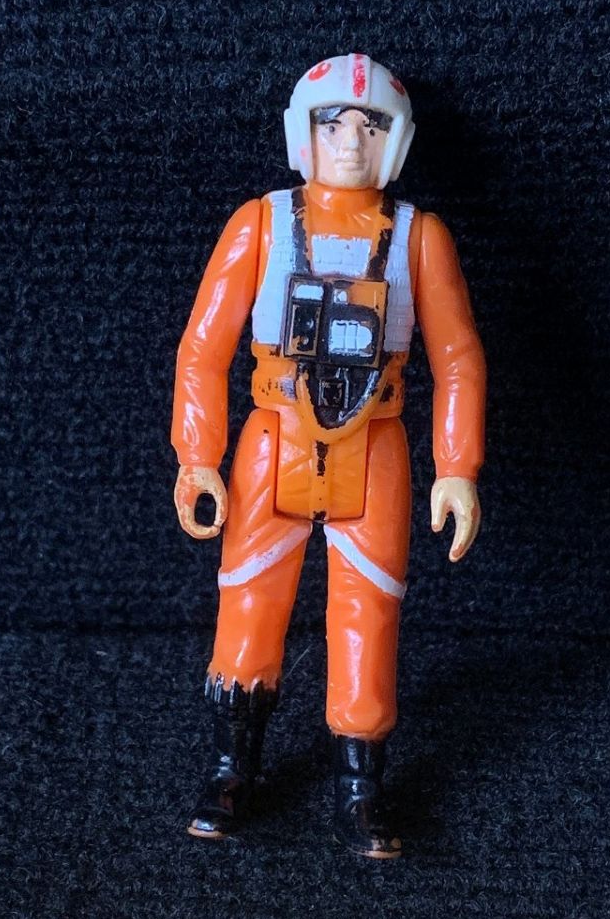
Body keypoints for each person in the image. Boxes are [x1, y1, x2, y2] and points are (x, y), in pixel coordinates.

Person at [171, 53, 486, 858]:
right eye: (332, 123)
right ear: (301, 135)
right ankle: (231, 766)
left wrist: (456, 467)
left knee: (367, 610)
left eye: (371, 124)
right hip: (272, 440)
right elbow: (203, 349)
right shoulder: (261, 225)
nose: (350, 140)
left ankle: (360, 788)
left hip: (374, 447)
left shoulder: (419, 239)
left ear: (396, 140)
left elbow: (457, 359)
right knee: (248, 598)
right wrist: (198, 455)